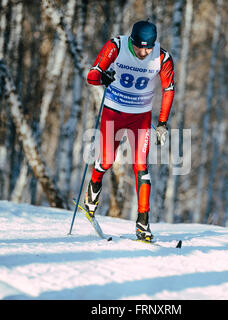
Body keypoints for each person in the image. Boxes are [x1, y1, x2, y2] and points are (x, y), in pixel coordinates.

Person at [85, 20, 175, 241]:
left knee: (142, 167)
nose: (144, 52)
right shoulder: (116, 46)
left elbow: (169, 89)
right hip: (113, 112)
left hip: (141, 117)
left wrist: (162, 123)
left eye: (149, 47)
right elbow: (91, 75)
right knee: (106, 161)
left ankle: (143, 224)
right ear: (132, 41)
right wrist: (102, 77)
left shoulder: (162, 58)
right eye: (140, 47)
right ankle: (91, 196)